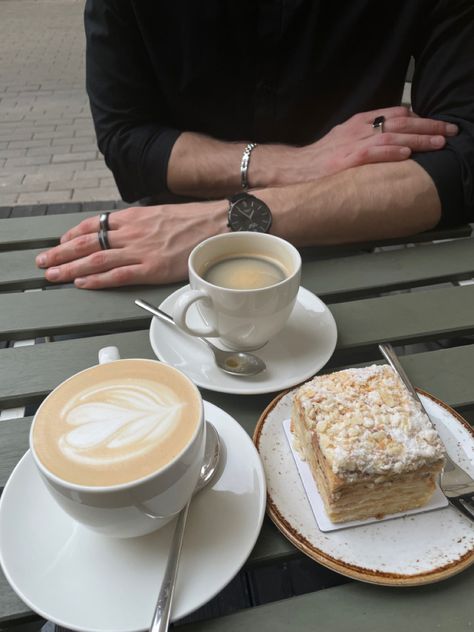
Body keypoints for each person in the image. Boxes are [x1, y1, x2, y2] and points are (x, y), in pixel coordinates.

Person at [36, 1, 474, 289]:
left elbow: (463, 159)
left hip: (348, 237)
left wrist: (222, 225)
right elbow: (126, 140)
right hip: (160, 240)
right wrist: (294, 164)